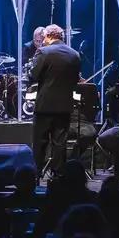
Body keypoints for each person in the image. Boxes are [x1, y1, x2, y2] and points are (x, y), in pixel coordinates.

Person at [30, 24, 81, 176]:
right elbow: (75, 80)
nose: (43, 40)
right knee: (60, 144)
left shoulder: (43, 52)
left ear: (50, 36)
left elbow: (34, 76)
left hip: (45, 106)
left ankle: (36, 175)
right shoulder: (74, 54)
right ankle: (58, 176)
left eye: (44, 37)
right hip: (65, 106)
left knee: (40, 142)